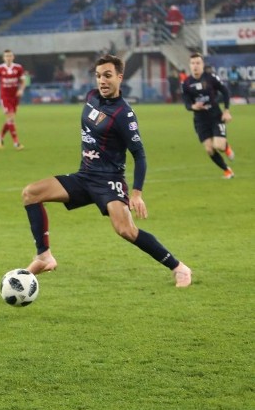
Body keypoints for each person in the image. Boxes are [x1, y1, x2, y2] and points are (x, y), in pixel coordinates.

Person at [20, 54, 192, 288]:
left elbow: (139, 155)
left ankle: (179, 268)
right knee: (31, 193)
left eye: (108, 76)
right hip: (84, 176)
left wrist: (137, 193)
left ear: (120, 78)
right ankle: (44, 256)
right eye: (99, 76)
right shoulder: (92, 97)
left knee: (126, 230)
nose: (102, 80)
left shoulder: (124, 114)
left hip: (108, 181)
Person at [181, 53, 235, 179]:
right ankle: (227, 171)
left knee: (219, 146)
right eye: (193, 63)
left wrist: (226, 110)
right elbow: (187, 102)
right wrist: (193, 107)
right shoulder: (186, 83)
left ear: (202, 64)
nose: (195, 66)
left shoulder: (211, 78)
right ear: (190, 65)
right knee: (210, 149)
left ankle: (226, 147)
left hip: (215, 115)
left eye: (198, 63)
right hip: (200, 120)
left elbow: (225, 91)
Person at [0, 49, 26, 150]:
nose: (8, 58)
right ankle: (16, 143)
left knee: (10, 119)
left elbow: (23, 81)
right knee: (10, 118)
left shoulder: (18, 68)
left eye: (10, 56)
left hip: (15, 97)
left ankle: (0, 136)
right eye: (6, 56)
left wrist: (21, 90)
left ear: (13, 57)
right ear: (3, 58)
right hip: (5, 97)